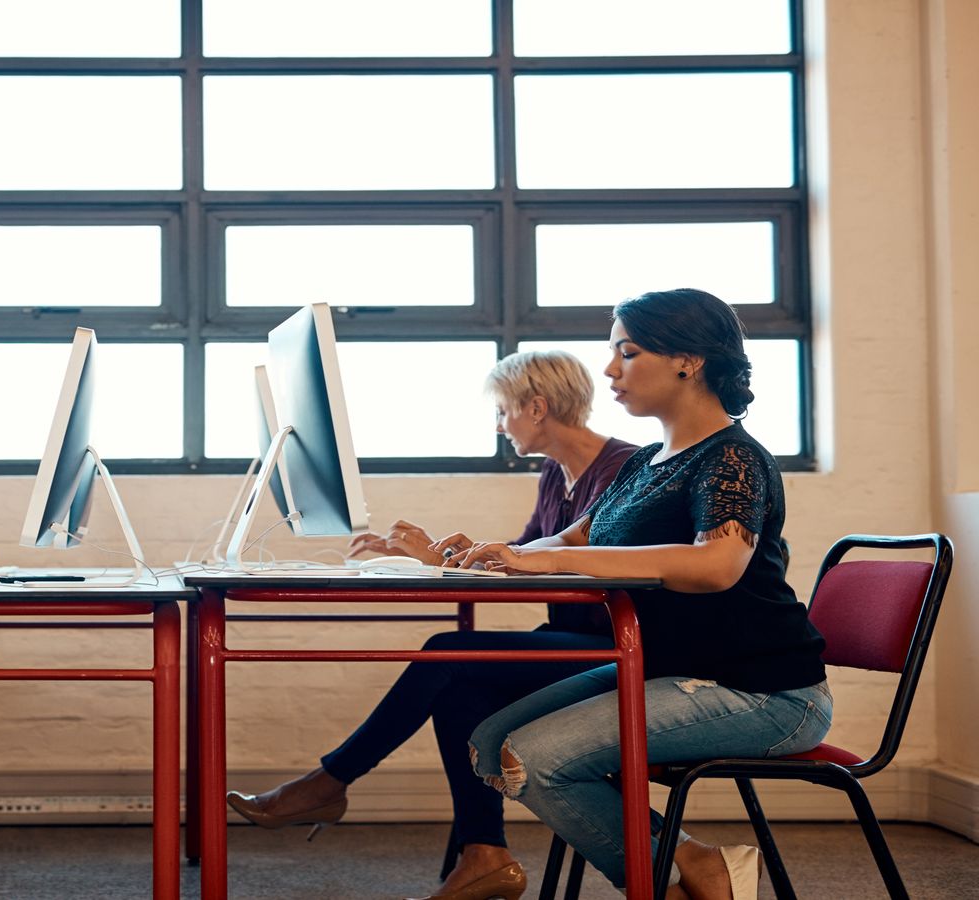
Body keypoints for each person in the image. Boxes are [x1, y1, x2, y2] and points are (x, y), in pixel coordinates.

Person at [444, 289, 829, 900]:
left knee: (536, 758)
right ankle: (695, 864)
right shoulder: (645, 462)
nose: (610, 370)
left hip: (765, 691)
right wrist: (501, 555)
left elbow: (717, 564)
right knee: (491, 746)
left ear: (688, 360)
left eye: (628, 351)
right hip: (673, 673)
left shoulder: (733, 457)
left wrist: (551, 561)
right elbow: (574, 535)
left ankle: (663, 885)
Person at [225, 350, 639, 900]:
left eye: (502, 412)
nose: (499, 425)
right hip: (572, 640)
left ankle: (329, 783)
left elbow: (582, 566)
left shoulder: (625, 469)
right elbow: (525, 556)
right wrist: (446, 555)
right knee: (458, 685)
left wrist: (442, 561)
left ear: (535, 408)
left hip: (616, 647)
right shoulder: (555, 474)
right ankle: (484, 854)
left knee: (447, 652)